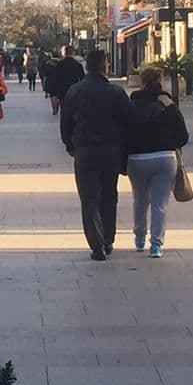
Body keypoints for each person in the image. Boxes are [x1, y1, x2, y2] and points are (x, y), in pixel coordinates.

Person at [60, 49, 131, 261]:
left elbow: (65, 123)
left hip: (85, 151)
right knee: (109, 195)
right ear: (105, 66)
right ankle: (109, 238)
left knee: (89, 198)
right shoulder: (116, 92)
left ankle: (96, 244)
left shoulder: (74, 91)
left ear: (86, 67)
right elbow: (128, 122)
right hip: (111, 150)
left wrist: (70, 145)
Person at [126, 67, 189, 258]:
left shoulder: (132, 103)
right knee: (159, 203)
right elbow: (183, 136)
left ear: (142, 82)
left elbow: (124, 130)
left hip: (137, 159)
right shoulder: (169, 103)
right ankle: (156, 245)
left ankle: (139, 238)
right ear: (160, 81)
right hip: (164, 158)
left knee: (140, 199)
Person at [49, 45, 85, 115]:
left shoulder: (59, 65)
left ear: (64, 53)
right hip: (74, 92)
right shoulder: (77, 65)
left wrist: (54, 94)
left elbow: (55, 80)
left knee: (64, 113)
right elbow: (82, 79)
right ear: (73, 53)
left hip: (63, 93)